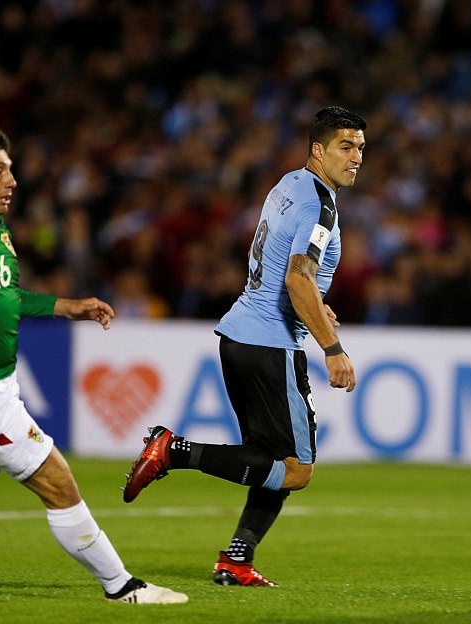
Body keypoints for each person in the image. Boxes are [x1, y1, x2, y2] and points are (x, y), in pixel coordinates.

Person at [0, 126, 187, 604]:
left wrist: (68, 307)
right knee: (56, 478)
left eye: (11, 170)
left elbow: (5, 295)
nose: (12, 180)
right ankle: (121, 585)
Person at [122, 106, 365, 587]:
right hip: (270, 345)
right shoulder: (321, 204)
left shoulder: (289, 185)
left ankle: (237, 559)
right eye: (345, 146)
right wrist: (332, 347)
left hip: (241, 337)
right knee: (297, 470)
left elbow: (281, 267)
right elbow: (298, 279)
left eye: (360, 147)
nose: (356, 157)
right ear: (318, 149)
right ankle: (174, 451)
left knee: (273, 462)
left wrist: (317, 305)